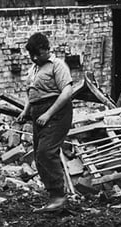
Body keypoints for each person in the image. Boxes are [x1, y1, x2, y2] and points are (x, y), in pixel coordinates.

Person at [17, 32, 73, 212]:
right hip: (38, 115)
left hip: (57, 114)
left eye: (38, 54)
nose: (34, 58)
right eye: (31, 55)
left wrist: (48, 114)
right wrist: (25, 111)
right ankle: (53, 198)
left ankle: (59, 196)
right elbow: (31, 94)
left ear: (47, 49)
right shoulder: (33, 69)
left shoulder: (58, 65)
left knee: (46, 152)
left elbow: (67, 92)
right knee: (40, 158)